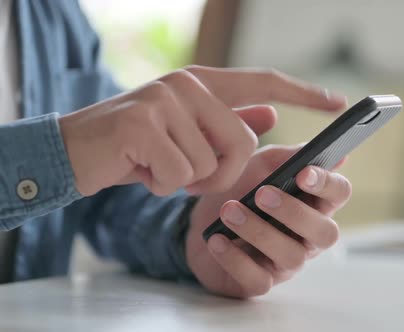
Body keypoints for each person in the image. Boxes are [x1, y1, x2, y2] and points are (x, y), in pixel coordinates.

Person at [0, 0, 353, 298]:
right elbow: (72, 159)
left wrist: (195, 227)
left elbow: (100, 195)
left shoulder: (51, 13)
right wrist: (61, 154)